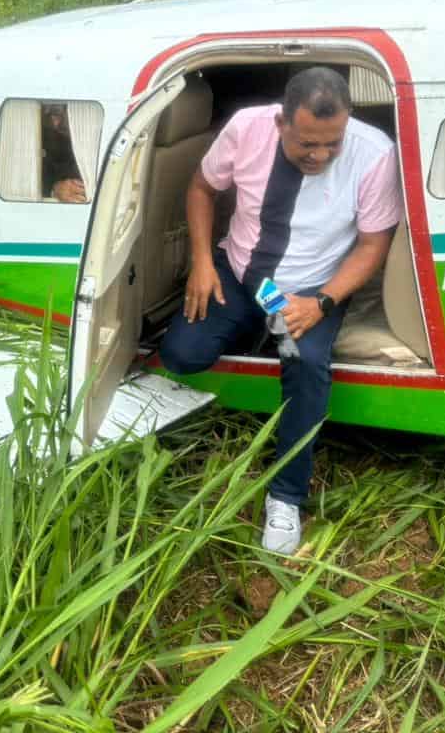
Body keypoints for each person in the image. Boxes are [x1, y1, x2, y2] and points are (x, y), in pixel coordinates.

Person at [158, 66, 402, 555]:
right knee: (181, 354)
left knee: (306, 363)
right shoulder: (247, 127)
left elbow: (373, 245)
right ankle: (253, 324)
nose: (321, 155)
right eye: (307, 143)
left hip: (312, 288)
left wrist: (322, 303)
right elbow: (202, 189)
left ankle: (286, 496)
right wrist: (203, 262)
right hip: (241, 269)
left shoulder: (374, 153)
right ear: (280, 124)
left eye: (332, 143)